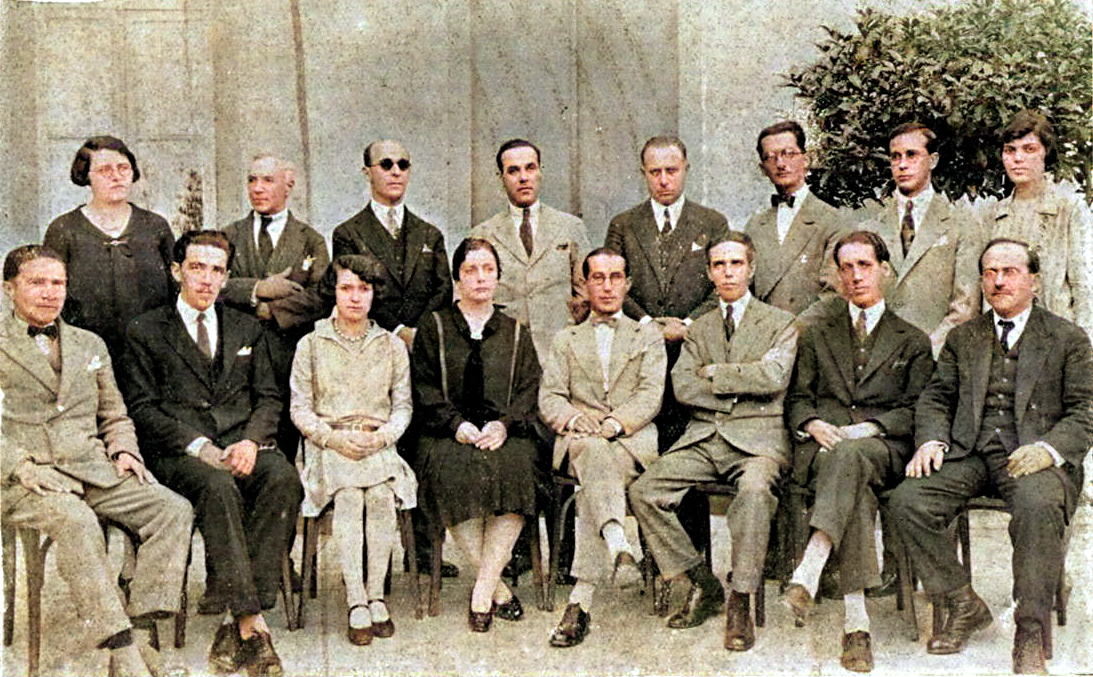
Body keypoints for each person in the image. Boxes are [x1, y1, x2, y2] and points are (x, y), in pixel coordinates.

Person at [889, 238, 1093, 674]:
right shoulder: (965, 337)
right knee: (908, 500)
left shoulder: (1067, 338)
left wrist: (1048, 449)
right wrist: (932, 441)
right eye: (989, 273)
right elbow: (937, 397)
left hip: (1033, 457)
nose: (998, 282)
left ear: (1034, 282)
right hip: (971, 452)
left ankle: (1030, 631)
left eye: (1009, 272)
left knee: (1038, 506)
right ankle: (961, 601)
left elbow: (1085, 410)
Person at [1, 245, 192, 677]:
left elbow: (114, 412)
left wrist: (124, 450)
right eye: (37, 282)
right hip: (28, 480)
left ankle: (139, 629)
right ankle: (123, 651)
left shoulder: (89, 343)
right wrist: (19, 467)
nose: (50, 292)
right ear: (8, 288)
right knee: (77, 522)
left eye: (58, 283)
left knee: (172, 510)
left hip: (92, 469)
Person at [123, 230, 303, 676]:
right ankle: (252, 624)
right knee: (218, 486)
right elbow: (142, 409)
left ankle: (233, 618)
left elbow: (268, 398)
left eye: (217, 270)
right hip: (180, 453)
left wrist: (251, 441)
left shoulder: (246, 327)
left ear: (226, 277)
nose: (206, 279)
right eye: (197, 267)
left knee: (283, 479)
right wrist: (199, 445)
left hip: (242, 442)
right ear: (176, 271)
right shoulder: (146, 330)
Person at [629, 232, 798, 652]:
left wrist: (717, 373)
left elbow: (774, 377)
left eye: (736, 264)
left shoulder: (780, 322)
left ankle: (741, 597)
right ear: (708, 273)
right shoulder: (699, 328)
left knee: (754, 492)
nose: (728, 273)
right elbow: (683, 386)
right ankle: (701, 580)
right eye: (719, 265)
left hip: (758, 440)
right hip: (705, 435)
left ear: (751, 269)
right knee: (645, 491)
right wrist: (743, 383)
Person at [782, 231, 934, 672]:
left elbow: (918, 408)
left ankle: (812, 565)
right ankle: (856, 624)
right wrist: (811, 423)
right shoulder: (817, 334)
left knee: (851, 457)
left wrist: (870, 428)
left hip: (884, 449)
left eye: (864, 265)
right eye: (846, 268)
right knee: (855, 488)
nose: (855, 276)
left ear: (884, 270)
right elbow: (798, 398)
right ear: (836, 275)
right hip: (825, 449)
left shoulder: (912, 339)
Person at [324, 138, 455, 576]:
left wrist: (418, 332)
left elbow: (442, 290)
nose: (395, 171)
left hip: (421, 355)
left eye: (403, 163)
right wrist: (397, 331)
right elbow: (354, 290)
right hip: (371, 351)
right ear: (368, 172)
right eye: (386, 164)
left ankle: (424, 553)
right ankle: (367, 562)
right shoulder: (349, 233)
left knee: (422, 446)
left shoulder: (429, 234)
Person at [410, 237, 541, 632]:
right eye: (471, 270)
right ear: (457, 279)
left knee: (518, 465)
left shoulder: (516, 331)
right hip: (446, 433)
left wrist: (504, 425)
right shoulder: (434, 327)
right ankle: (497, 588)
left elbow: (529, 389)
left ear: (498, 277)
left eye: (488, 269)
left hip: (504, 433)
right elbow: (423, 387)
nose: (481, 278)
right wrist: (457, 425)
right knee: (451, 471)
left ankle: (483, 590)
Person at [538, 247, 666, 648]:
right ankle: (618, 545)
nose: (607, 286)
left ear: (627, 284)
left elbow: (650, 394)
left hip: (631, 441)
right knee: (593, 453)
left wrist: (613, 424)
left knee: (592, 478)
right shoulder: (566, 339)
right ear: (584, 285)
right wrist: (575, 418)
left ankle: (581, 600)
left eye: (615, 278)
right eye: (598, 278)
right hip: (581, 441)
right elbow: (550, 397)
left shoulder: (648, 336)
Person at [290, 253, 417, 646]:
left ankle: (376, 595)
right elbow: (299, 408)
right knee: (348, 496)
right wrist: (332, 438)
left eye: (364, 289)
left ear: (374, 294)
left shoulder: (391, 346)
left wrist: (382, 437)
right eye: (347, 288)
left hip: (377, 442)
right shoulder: (311, 344)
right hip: (328, 444)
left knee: (380, 495)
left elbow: (403, 407)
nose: (356, 297)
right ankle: (356, 600)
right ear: (334, 291)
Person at [605, 134, 729, 451]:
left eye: (671, 171)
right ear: (643, 173)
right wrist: (647, 324)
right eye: (654, 172)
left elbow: (725, 284)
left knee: (690, 441)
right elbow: (611, 284)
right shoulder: (624, 224)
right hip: (638, 349)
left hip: (694, 349)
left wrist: (687, 325)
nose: (663, 180)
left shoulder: (712, 223)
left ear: (686, 169)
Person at [221, 153, 330, 463]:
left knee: (286, 438)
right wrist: (257, 288)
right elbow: (211, 285)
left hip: (288, 354)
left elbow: (322, 296)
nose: (257, 188)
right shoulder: (229, 235)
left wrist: (271, 311)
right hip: (238, 355)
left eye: (268, 180)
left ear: (289, 185)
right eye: (252, 180)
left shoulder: (310, 241)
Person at [43, 136, 175, 361]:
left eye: (123, 168)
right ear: (86, 176)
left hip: (151, 352)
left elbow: (177, 289)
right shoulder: (64, 229)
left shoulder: (155, 226)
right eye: (105, 170)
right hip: (86, 352)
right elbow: (51, 294)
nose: (116, 176)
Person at [861, 122, 983, 357]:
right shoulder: (870, 228)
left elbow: (965, 306)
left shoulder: (961, 224)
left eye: (912, 155)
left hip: (936, 358)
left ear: (933, 160)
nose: (902, 164)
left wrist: (926, 353)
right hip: (878, 359)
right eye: (895, 157)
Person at [470, 138, 590, 359]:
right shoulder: (482, 234)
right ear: (501, 177)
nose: (523, 177)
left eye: (530, 168)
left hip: (560, 353)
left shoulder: (570, 227)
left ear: (540, 172)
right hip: (504, 355)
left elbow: (586, 294)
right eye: (513, 171)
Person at [986, 110, 1093, 340]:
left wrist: (1084, 349)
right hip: (1003, 341)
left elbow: (1084, 289)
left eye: (1029, 149)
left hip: (1056, 341)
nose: (1018, 158)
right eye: (1010, 150)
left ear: (1046, 153)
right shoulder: (993, 214)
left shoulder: (1069, 209)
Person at [743, 121, 846, 319]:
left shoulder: (832, 221)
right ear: (763, 169)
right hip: (763, 332)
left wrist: (793, 331)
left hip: (811, 333)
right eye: (770, 157)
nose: (780, 164)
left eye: (788, 154)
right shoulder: (754, 226)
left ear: (805, 159)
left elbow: (834, 295)